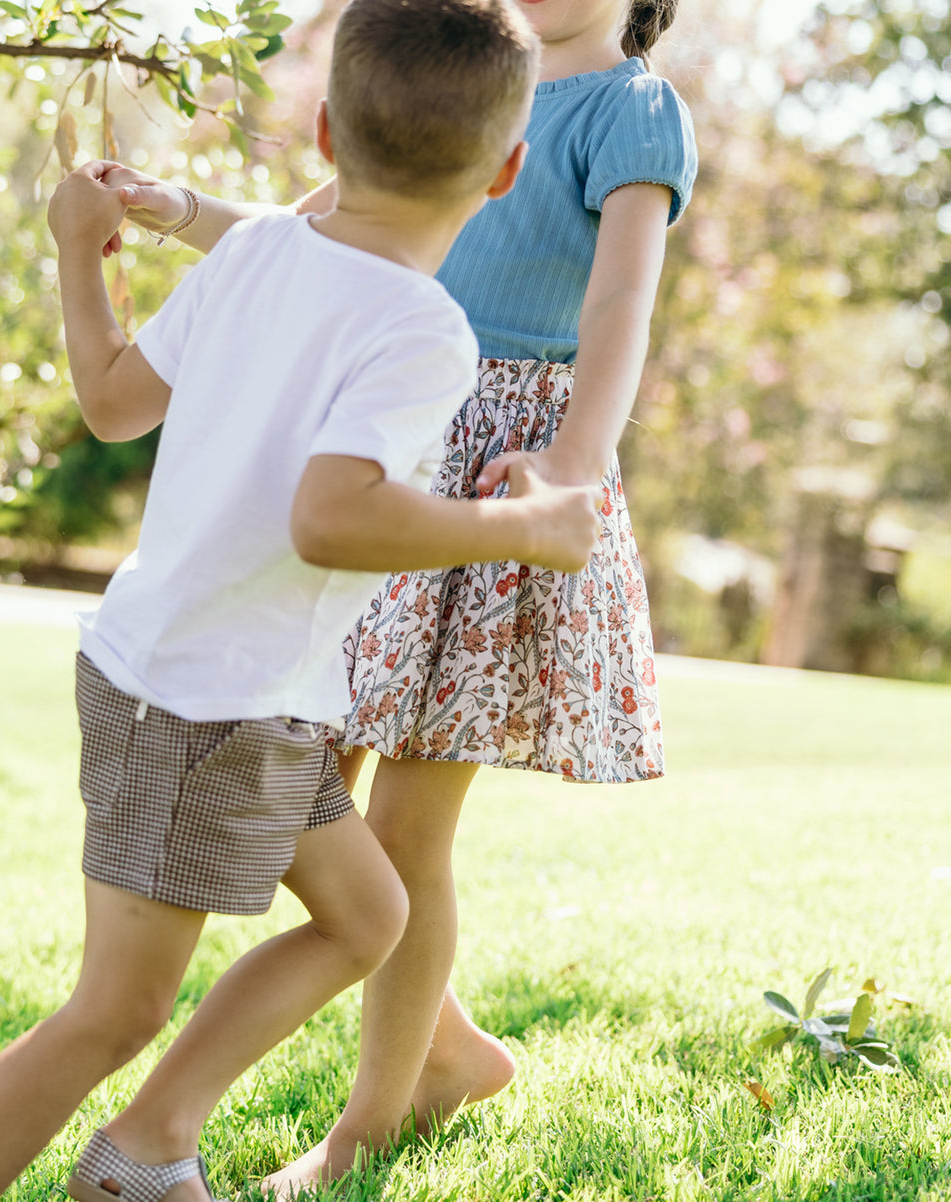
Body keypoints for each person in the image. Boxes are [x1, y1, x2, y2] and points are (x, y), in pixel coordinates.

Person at [0, 2, 604, 1201]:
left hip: (238, 693)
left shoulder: (263, 249)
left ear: (326, 133)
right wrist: (523, 528)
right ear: (508, 170)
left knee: (367, 912)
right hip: (199, 704)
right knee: (111, 1011)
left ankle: (152, 1143)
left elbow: (116, 400)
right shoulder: (425, 330)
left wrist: (82, 253)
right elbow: (330, 515)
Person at [98, 0, 699, 1194]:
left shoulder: (633, 110)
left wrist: (567, 470)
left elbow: (621, 307)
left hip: (495, 472)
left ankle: (370, 1124)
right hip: (378, 445)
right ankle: (451, 1051)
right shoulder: (464, 78)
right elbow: (318, 229)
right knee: (309, 802)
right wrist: (180, 215)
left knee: (407, 834)